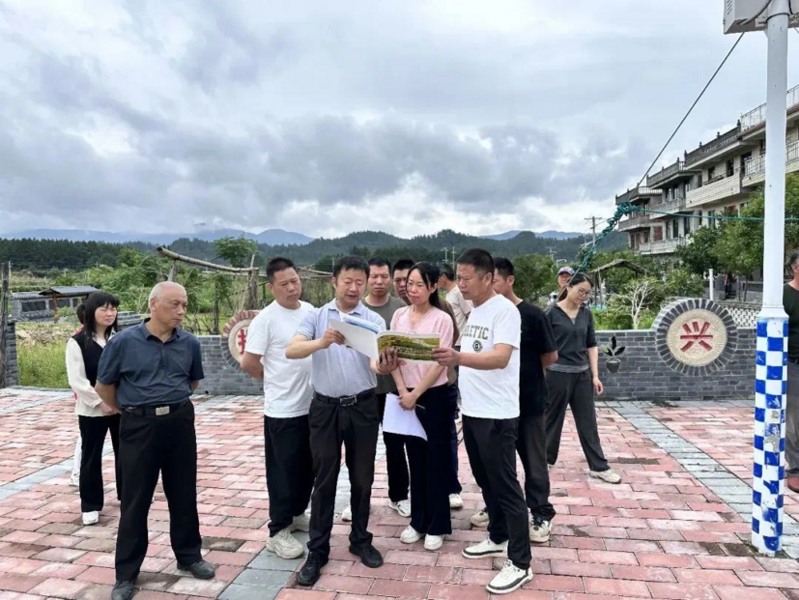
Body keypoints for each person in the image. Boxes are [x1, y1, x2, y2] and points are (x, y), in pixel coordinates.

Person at [96, 282, 215, 600]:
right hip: (138, 426)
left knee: (184, 492)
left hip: (179, 422)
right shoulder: (123, 342)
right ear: (153, 304)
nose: (181, 311)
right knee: (135, 499)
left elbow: (192, 382)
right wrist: (131, 409)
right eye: (175, 304)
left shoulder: (189, 343)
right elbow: (104, 386)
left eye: (184, 305)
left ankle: (189, 556)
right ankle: (126, 574)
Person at [286, 256, 398, 587]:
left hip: (362, 407)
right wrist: (322, 341)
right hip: (325, 408)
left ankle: (360, 539)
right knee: (324, 479)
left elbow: (376, 363)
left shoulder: (373, 320)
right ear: (334, 282)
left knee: (363, 477)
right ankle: (317, 550)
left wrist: (384, 366)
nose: (354, 288)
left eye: (359, 282)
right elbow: (293, 350)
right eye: (347, 281)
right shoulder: (316, 316)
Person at [432, 249, 532, 595]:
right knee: (485, 480)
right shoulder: (476, 310)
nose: (460, 284)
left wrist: (458, 357)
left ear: (488, 278)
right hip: (474, 412)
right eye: (458, 277)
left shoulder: (505, 311)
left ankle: (520, 562)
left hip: (497, 415)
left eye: (466, 278)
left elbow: (501, 358)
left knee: (505, 486)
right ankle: (498, 536)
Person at [240, 258, 314, 560]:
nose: (292, 288)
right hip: (283, 409)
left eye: (295, 281)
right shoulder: (266, 319)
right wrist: (272, 379)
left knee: (307, 467)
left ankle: (297, 514)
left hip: (312, 405)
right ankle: (278, 530)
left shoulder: (310, 311)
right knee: (283, 471)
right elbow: (248, 362)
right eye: (284, 284)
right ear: (271, 287)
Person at [492, 258, 559, 543]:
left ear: (510, 281)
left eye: (495, 281)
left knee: (534, 462)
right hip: (497, 405)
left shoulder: (531, 315)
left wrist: (524, 374)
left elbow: (550, 356)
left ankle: (541, 513)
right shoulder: (487, 315)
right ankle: (497, 510)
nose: (491, 287)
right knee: (499, 463)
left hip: (529, 403)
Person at [391, 262, 456, 551]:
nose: (413, 289)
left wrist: (416, 393)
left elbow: (439, 363)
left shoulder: (442, 319)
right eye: (409, 283)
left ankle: (438, 524)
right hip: (405, 396)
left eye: (419, 284)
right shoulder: (399, 315)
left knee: (436, 460)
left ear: (432, 287)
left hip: (433, 397)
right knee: (414, 459)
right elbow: (390, 354)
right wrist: (402, 390)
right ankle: (418, 520)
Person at [545, 273, 621, 484]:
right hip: (556, 375)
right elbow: (540, 346)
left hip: (582, 376)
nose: (584, 296)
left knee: (588, 422)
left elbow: (591, 345)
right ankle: (544, 460)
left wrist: (595, 376)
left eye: (587, 293)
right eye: (581, 291)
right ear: (569, 287)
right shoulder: (550, 313)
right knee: (551, 420)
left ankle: (599, 466)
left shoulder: (586, 314)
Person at [361, 257, 411, 520]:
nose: (379, 281)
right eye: (374, 276)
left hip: (393, 389)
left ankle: (399, 496)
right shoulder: (357, 310)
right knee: (362, 449)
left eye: (384, 276)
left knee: (396, 445)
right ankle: (358, 500)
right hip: (364, 391)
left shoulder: (401, 309)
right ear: (366, 279)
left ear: (390, 279)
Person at [66, 292, 122, 526]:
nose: (110, 313)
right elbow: (77, 380)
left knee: (126, 453)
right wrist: (101, 403)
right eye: (104, 309)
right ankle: (90, 505)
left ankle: (128, 494)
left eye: (113, 309)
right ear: (91, 311)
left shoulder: (119, 339)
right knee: (91, 457)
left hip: (121, 408)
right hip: (92, 410)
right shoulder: (78, 342)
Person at [437, 263, 466, 510]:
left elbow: (459, 328)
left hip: (450, 362)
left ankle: (451, 487)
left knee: (447, 433)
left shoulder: (450, 299)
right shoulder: (402, 313)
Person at [784, 251, 799, 493]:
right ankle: (795, 468)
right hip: (793, 362)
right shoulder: (783, 295)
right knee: (794, 418)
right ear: (796, 268)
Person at [69, 302, 87, 488]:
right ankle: (77, 473)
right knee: (85, 439)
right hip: (88, 400)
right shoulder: (78, 340)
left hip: (109, 399)